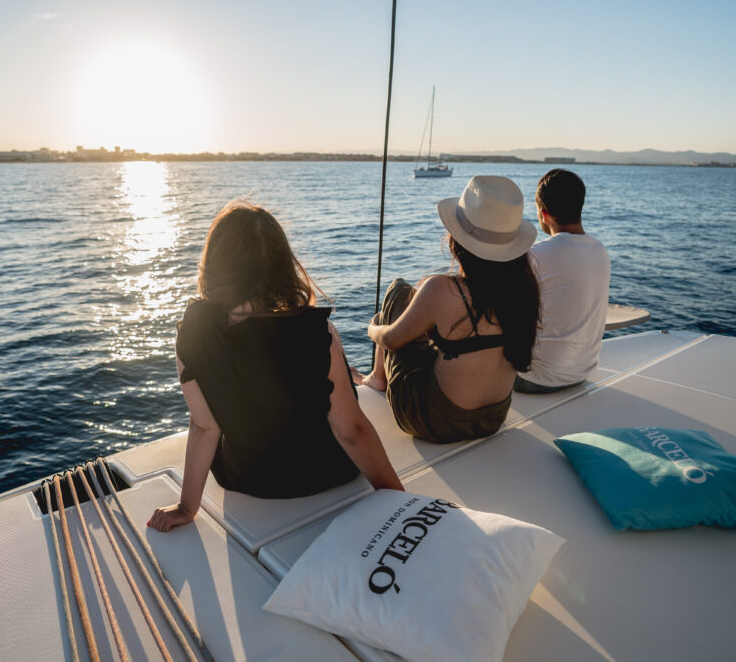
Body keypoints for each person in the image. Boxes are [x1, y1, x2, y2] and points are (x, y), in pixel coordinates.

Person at [148, 201, 403, 532]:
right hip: (324, 473)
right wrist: (399, 499)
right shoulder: (316, 332)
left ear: (215, 265)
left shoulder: (192, 330)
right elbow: (350, 430)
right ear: (283, 266)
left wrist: (186, 506)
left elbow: (204, 427)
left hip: (248, 478)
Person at [358, 175, 540, 442]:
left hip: (433, 422)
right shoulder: (525, 291)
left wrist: (373, 327)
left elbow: (391, 339)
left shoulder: (440, 289)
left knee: (399, 291)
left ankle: (376, 378)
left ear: (456, 240)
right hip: (493, 418)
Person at [514, 169, 610, 393]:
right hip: (580, 375)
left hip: (535, 380)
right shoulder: (600, 250)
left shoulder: (535, 255)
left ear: (543, 213)